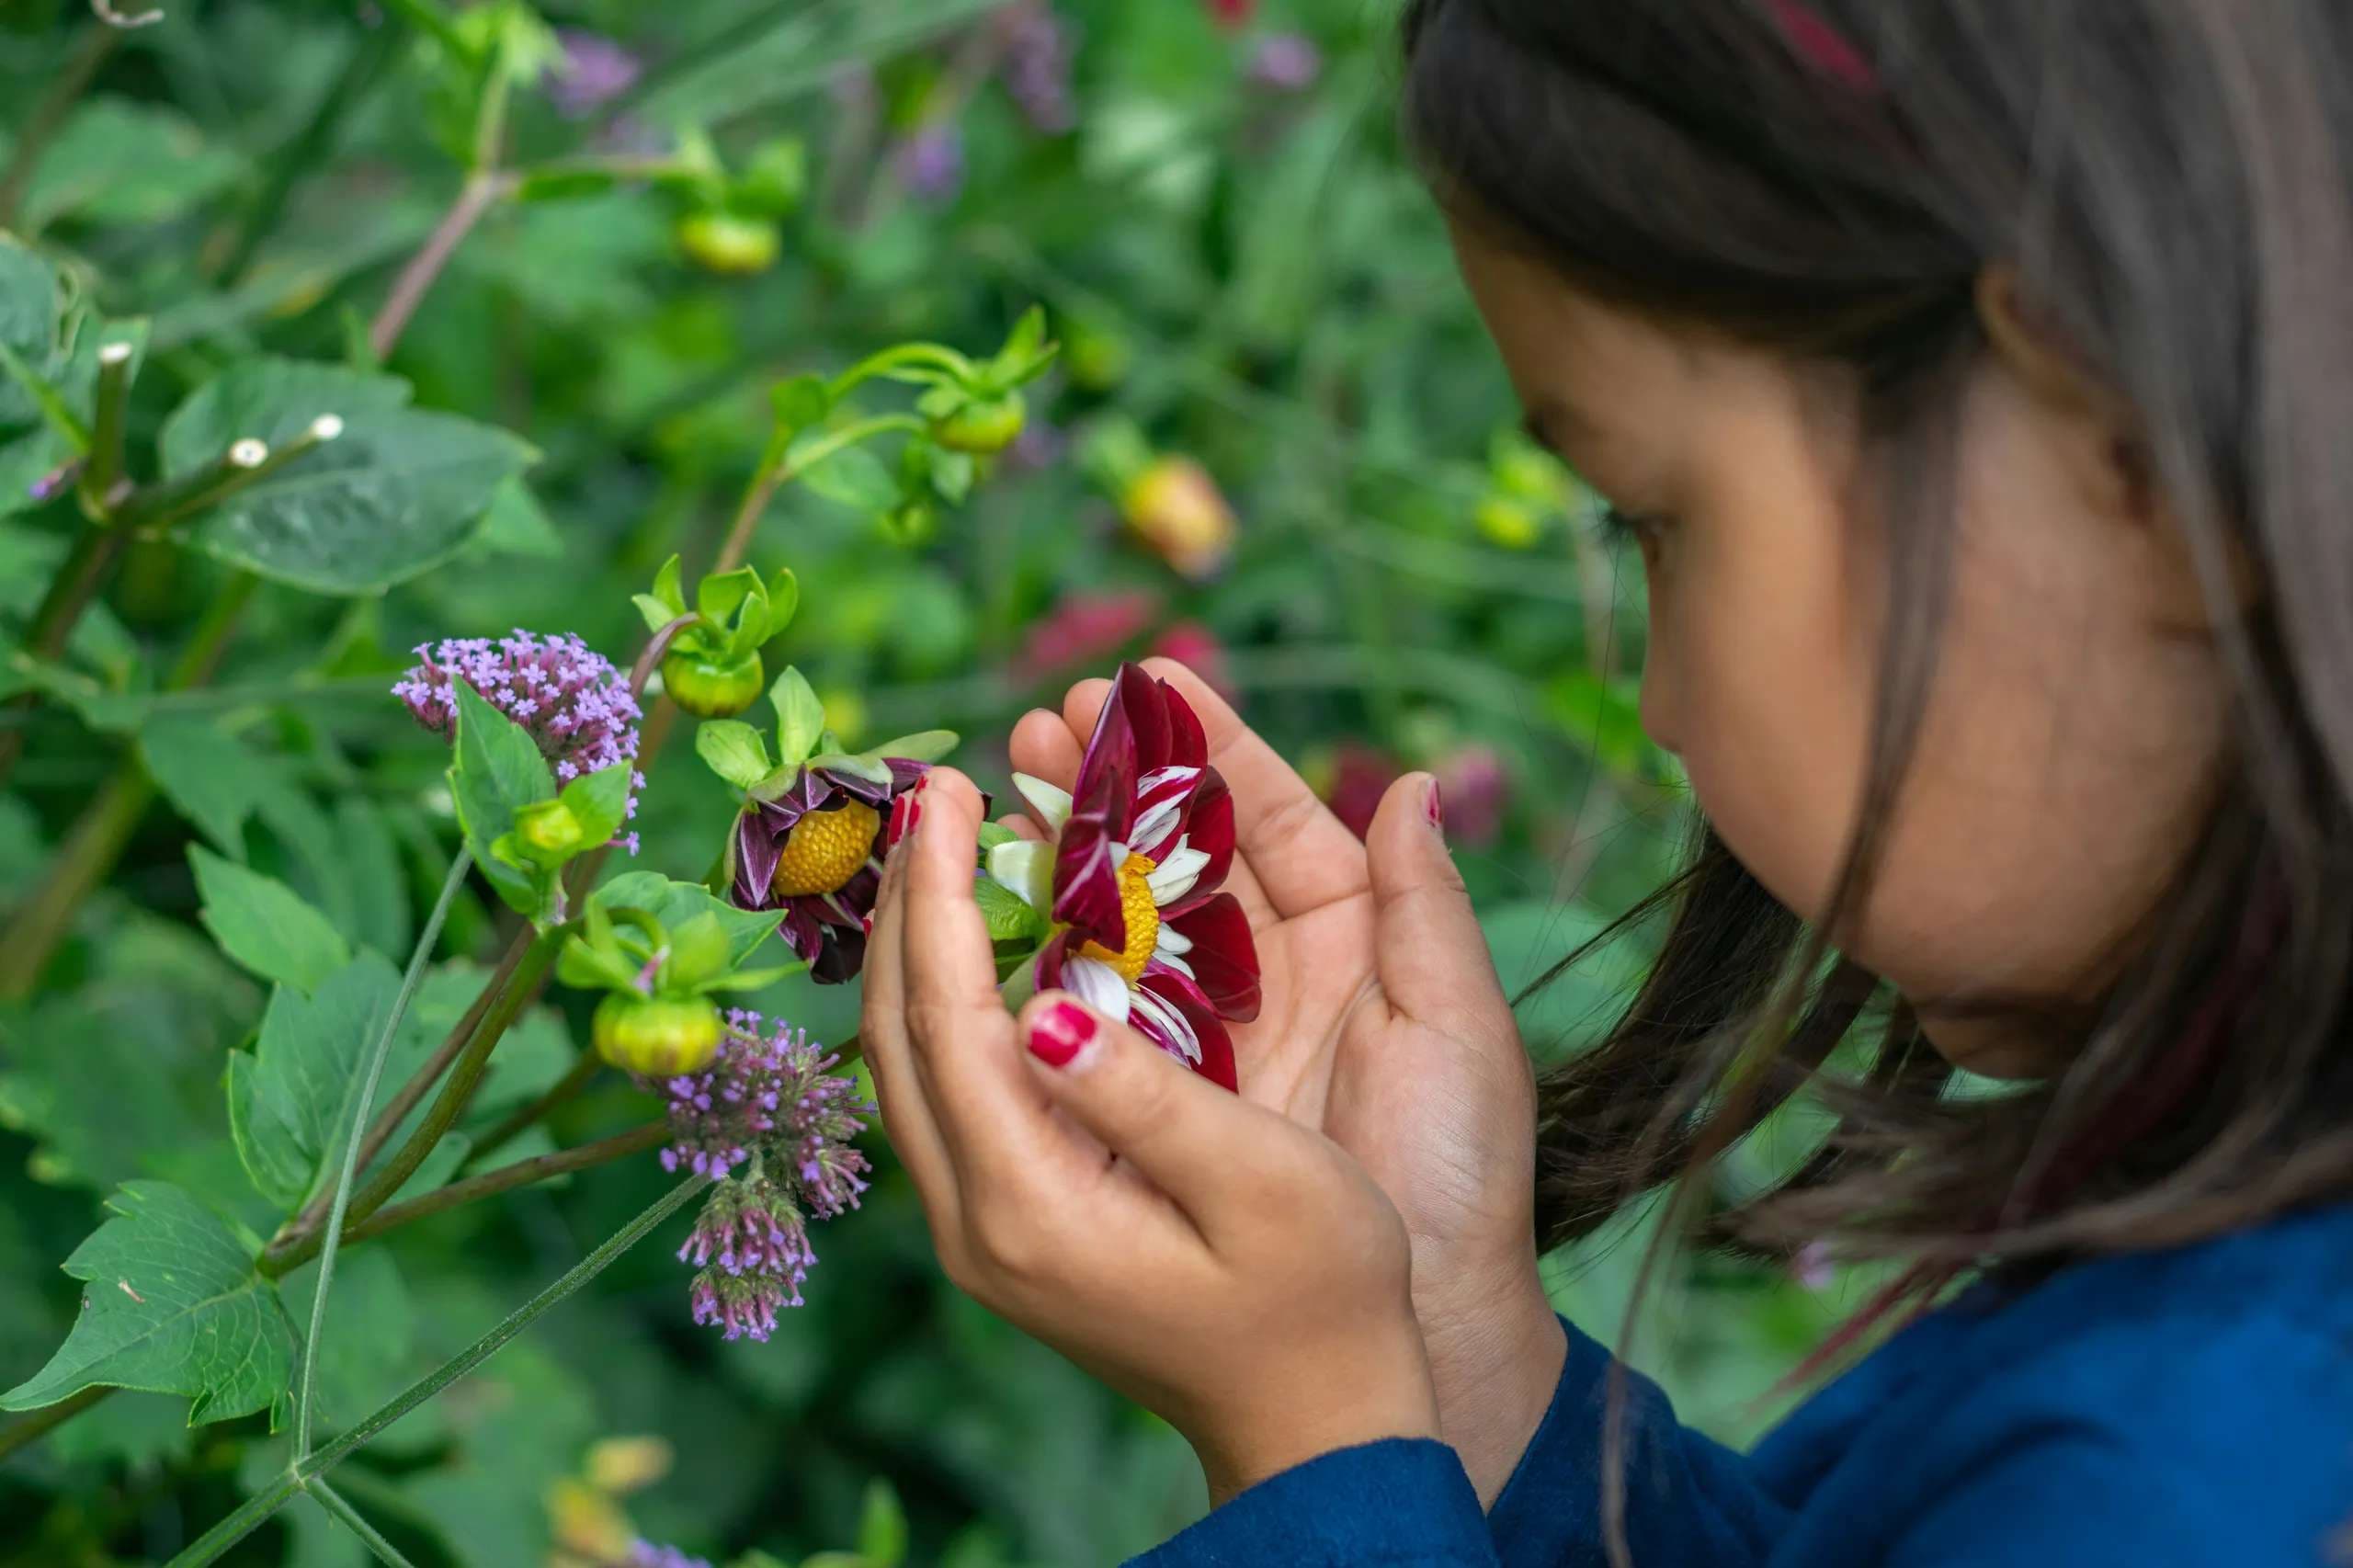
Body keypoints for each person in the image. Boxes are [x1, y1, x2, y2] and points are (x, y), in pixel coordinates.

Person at [858, 3, 2353, 1563]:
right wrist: (1444, 1351)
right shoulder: (2239, 1341)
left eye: (1657, 519)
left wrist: (1312, 1445)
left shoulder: (2180, 1489)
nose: (1657, 711)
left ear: (2125, 455)